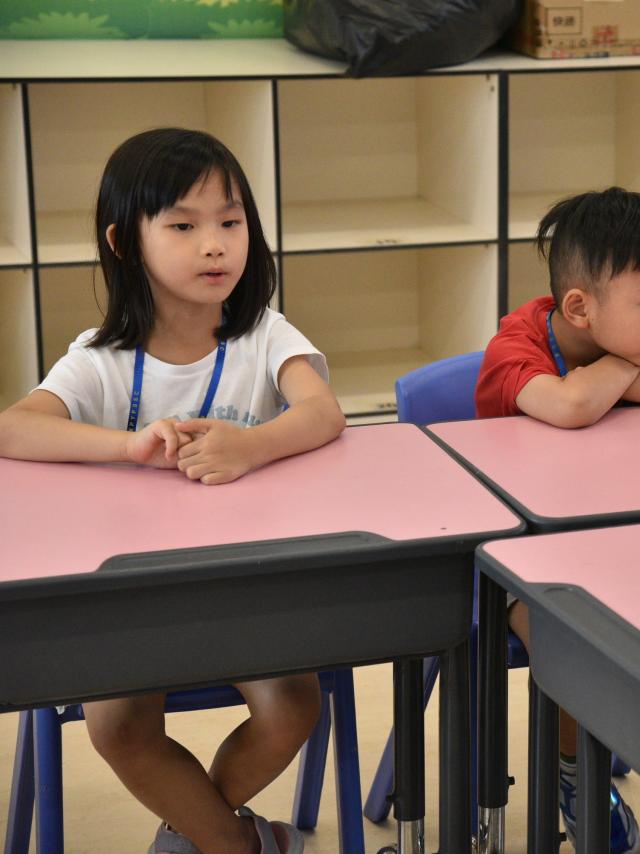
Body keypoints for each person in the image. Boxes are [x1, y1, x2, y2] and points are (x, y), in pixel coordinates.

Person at [0, 128, 346, 854]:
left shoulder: (264, 335)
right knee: (118, 728)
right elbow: (13, 429)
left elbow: (324, 413)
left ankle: (194, 837)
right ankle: (239, 845)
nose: (215, 245)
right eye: (184, 226)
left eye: (231, 222)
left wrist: (251, 444)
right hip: (129, 598)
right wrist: (126, 447)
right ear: (125, 243)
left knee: (294, 706)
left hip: (242, 585)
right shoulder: (100, 358)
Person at [475, 187, 640, 851]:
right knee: (574, 643)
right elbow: (567, 408)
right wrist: (620, 370)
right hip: (516, 560)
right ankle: (574, 769)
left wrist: (616, 379)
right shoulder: (517, 343)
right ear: (579, 308)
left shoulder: (634, 344)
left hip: (619, 543)